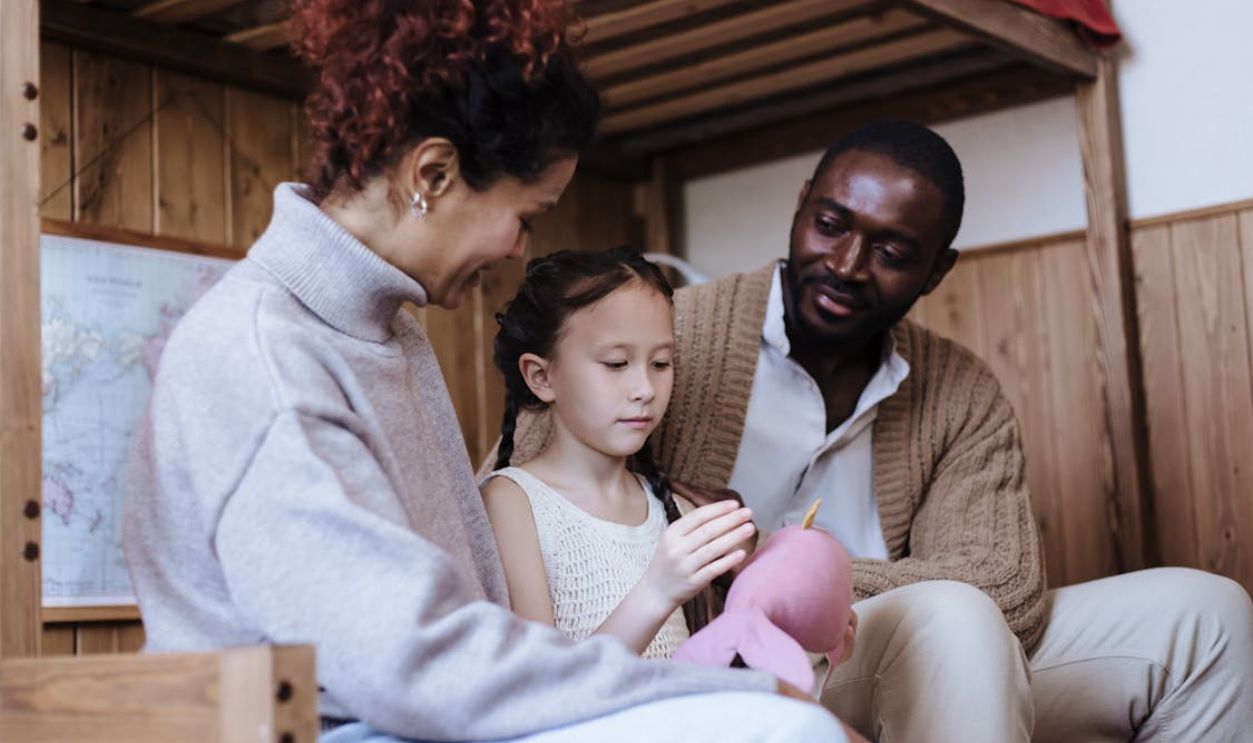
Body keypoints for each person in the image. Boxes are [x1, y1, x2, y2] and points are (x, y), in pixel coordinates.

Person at [121, 1, 848, 742]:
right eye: (524, 217)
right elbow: (414, 665)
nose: (514, 249)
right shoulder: (264, 359)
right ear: (432, 173)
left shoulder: (386, 330)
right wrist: (731, 692)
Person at [501, 120, 1253, 742]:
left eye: (892, 253)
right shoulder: (671, 337)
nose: (846, 264)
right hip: (721, 648)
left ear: (935, 271)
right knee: (951, 611)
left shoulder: (958, 391)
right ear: (800, 207)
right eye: (829, 225)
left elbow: (1007, 590)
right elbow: (530, 480)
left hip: (891, 643)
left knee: (1206, 615)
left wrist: (786, 568)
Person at [482, 247, 755, 658]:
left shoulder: (676, 511)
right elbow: (539, 689)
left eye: (661, 363)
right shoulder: (512, 503)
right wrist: (656, 591)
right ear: (541, 376)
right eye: (616, 363)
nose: (645, 388)